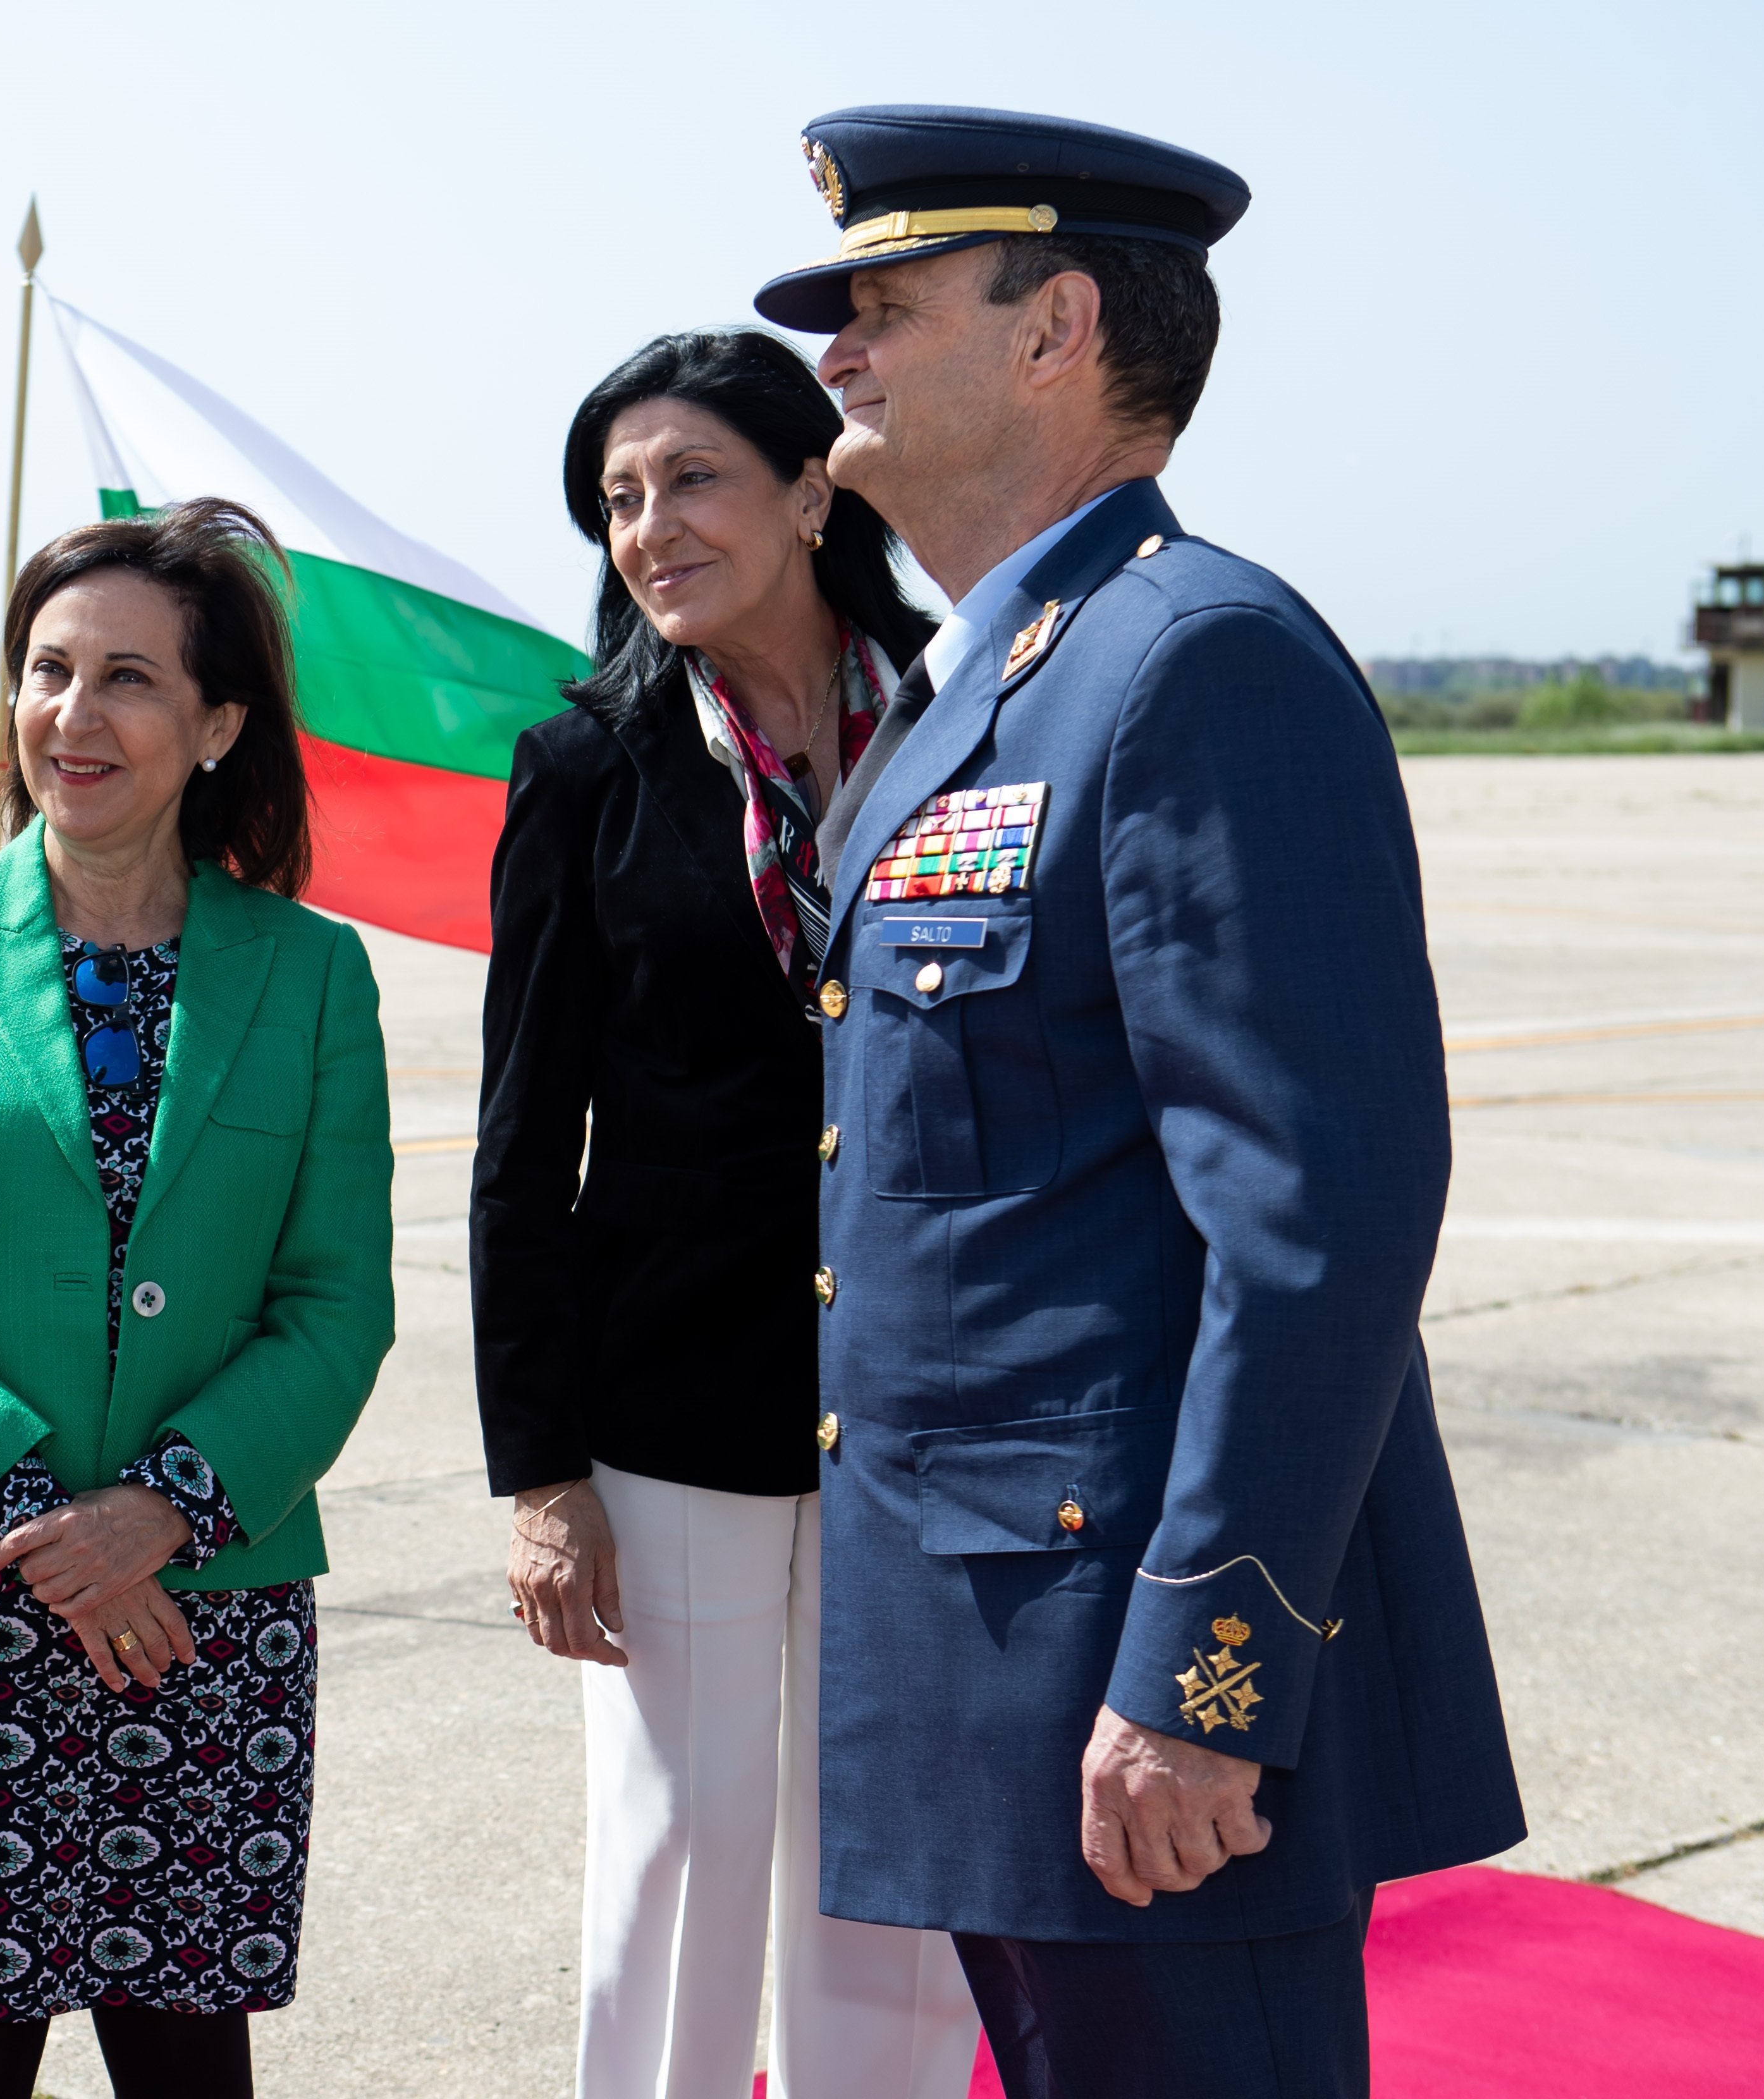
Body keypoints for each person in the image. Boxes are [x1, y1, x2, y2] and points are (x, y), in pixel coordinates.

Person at [750, 106, 1528, 2096]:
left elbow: (1315, 1221)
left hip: (1138, 1686)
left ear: (1054, 328)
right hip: (1007, 1657)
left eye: (882, 307)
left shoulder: (1197, 665)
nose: (833, 355)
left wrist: (1206, 1677)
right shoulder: (1005, 676)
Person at [0, 498, 395, 2099]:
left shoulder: (313, 974)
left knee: (186, 2047)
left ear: (214, 725)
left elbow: (337, 1305)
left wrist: (164, 1511)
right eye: (46, 670)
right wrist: (46, 1523)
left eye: (128, 678)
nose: (75, 713)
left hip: (205, 1597)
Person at [473, 329, 981, 2099]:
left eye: (689, 478)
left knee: (893, 1866)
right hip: (669, 1403)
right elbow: (522, 1142)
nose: (648, 527)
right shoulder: (585, 766)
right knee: (678, 1850)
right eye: (617, 499)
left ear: (810, 485)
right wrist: (538, 1475)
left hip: (927, 1394)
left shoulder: (966, 711)